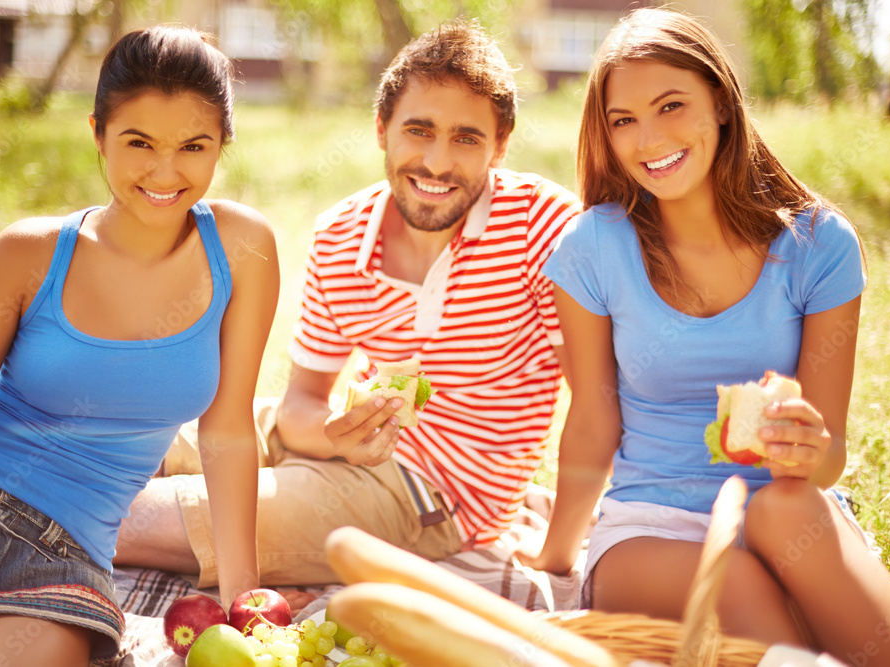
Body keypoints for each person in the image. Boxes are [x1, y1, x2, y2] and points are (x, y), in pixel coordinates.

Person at [113, 18, 583, 588]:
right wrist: (337, 432)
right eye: (419, 129)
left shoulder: (544, 226)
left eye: (466, 137)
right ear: (382, 128)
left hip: (430, 496)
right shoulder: (340, 232)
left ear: (500, 146)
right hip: (332, 436)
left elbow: (595, 402)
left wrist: (557, 556)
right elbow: (300, 406)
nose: (436, 162)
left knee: (129, 517)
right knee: (114, 440)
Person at [517, 7, 890, 666]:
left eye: (672, 106)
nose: (649, 139)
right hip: (648, 527)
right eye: (624, 120)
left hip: (783, 503)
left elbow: (829, 456)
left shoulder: (819, 245)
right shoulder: (594, 246)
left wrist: (806, 450)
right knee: (736, 580)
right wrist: (557, 560)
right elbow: (592, 417)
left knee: (786, 511)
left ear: (722, 104)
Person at [0, 26, 278, 665]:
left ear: (222, 144)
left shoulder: (243, 250)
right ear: (97, 134)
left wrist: (245, 600)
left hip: (66, 560)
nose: (164, 172)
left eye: (193, 146)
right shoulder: (29, 254)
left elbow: (226, 434)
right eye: (138, 142)